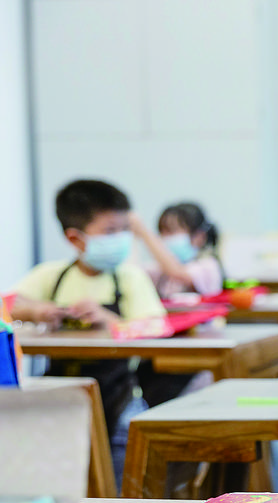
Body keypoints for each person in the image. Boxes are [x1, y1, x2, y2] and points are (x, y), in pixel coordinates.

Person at [10, 179, 166, 478]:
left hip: (120, 398)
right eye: (109, 231)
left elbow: (156, 326)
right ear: (75, 239)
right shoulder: (52, 276)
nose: (120, 238)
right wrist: (36, 310)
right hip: (60, 397)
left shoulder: (130, 278)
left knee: (123, 470)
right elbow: (8, 305)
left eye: (124, 230)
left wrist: (107, 319)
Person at [133, 202, 224, 299]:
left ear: (199, 237)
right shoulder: (159, 269)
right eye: (162, 232)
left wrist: (144, 233)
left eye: (172, 231)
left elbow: (177, 273)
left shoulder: (208, 265)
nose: (165, 237)